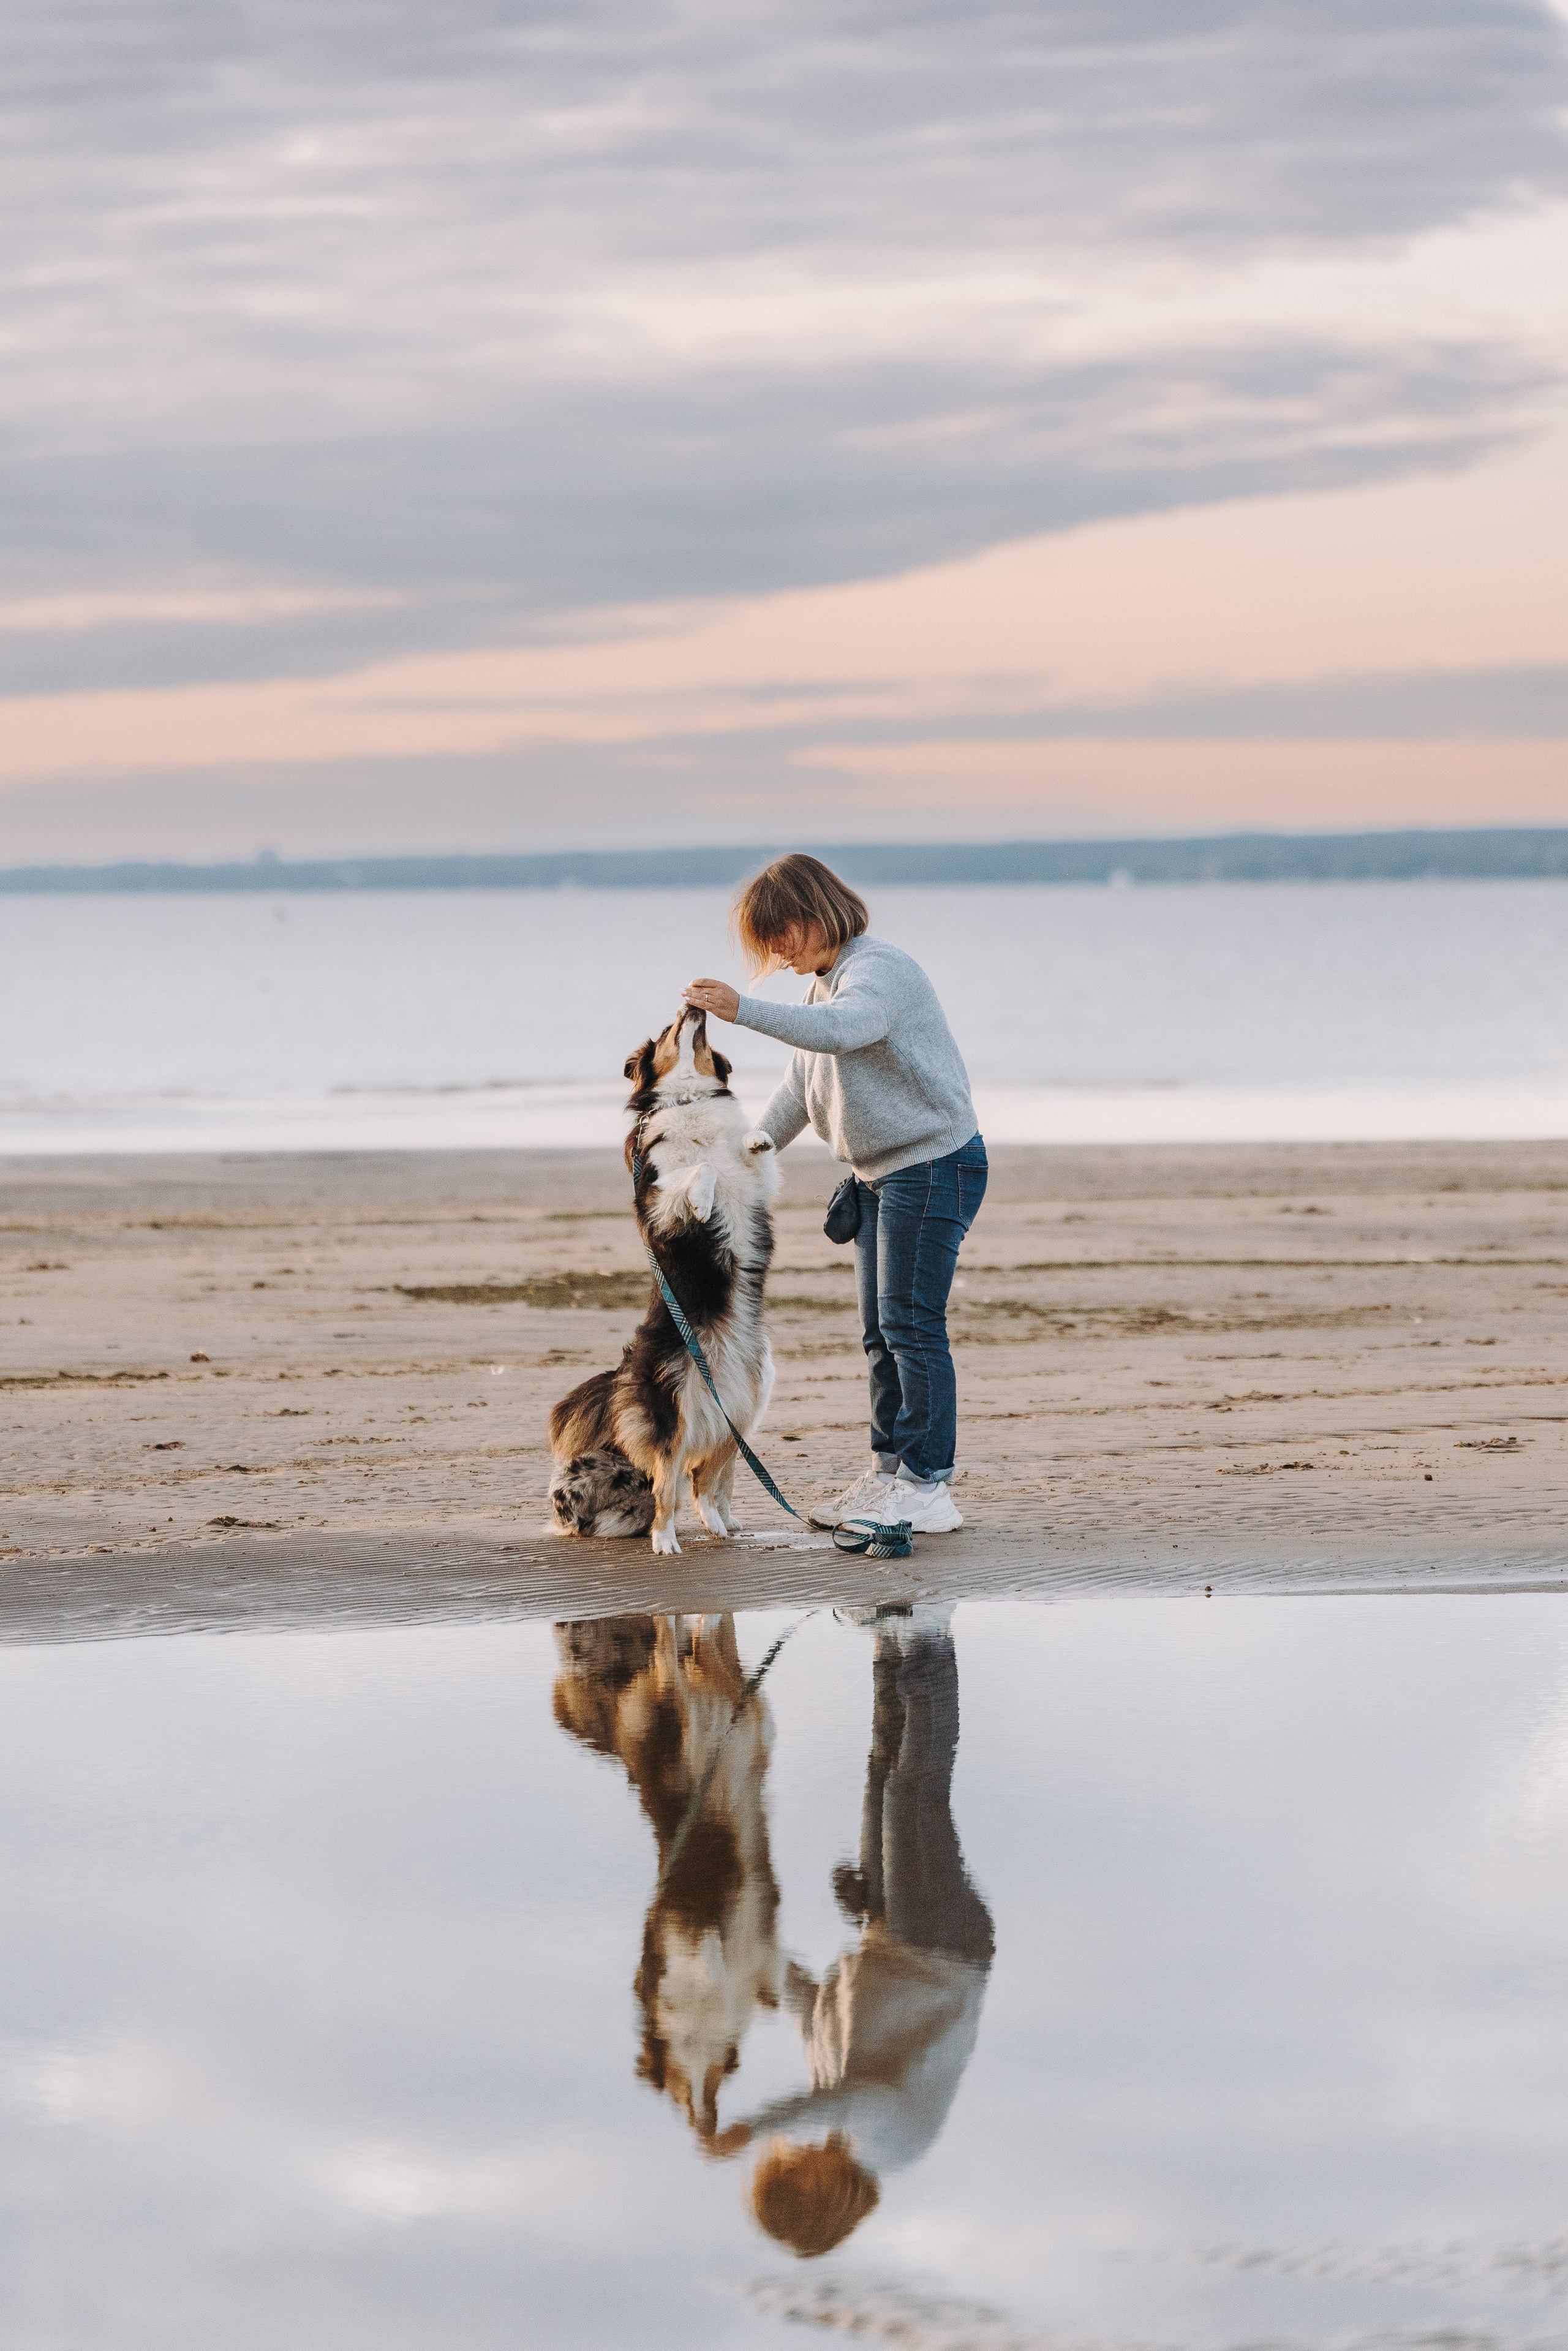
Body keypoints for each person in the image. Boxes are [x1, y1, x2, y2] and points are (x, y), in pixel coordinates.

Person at [683, 853, 986, 1536]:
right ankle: (889, 1477)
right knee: (881, 1334)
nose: (776, 951)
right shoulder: (825, 986)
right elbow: (800, 1087)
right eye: (767, 942)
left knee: (912, 1325)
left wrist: (742, 1010)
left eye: (780, 933)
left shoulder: (880, 971)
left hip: (933, 1165)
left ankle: (928, 1486)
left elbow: (847, 1030)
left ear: (813, 913)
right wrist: (743, 1155)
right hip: (881, 1174)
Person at [706, 1605, 995, 2259]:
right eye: (788, 2172)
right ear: (819, 2193)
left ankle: (890, 1640)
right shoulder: (891, 2146)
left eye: (777, 2162)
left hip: (887, 1932)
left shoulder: (831, 2115)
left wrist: (741, 1943)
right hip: (941, 1950)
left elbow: (811, 2006)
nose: (788, 2156)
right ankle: (929, 1636)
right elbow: (858, 2095)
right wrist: (754, 2127)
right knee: (912, 1790)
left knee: (880, 1772)